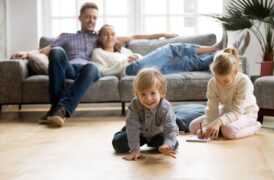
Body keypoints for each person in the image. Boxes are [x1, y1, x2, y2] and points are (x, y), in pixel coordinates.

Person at [10, 3, 177, 127]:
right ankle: (57, 107)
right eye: (88, 17)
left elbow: (133, 36)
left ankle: (60, 109)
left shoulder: (101, 36)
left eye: (95, 17)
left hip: (89, 70)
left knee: (91, 67)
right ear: (80, 18)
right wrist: (27, 53)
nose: (91, 20)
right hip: (70, 67)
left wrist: (161, 34)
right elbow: (45, 49)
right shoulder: (66, 36)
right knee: (57, 51)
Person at [92, 24, 227, 77]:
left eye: (112, 34)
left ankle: (223, 54)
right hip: (129, 71)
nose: (109, 37)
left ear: (116, 37)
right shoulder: (98, 52)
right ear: (100, 37)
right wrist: (123, 63)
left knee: (187, 62)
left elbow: (140, 58)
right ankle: (216, 47)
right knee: (171, 49)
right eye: (105, 34)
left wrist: (137, 56)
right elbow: (101, 72)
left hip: (144, 70)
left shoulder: (123, 51)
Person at [189, 48, 261, 140]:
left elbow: (237, 111)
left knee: (228, 131)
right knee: (193, 127)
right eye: (217, 79)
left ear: (235, 72)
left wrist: (218, 122)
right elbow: (212, 108)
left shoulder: (244, 82)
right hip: (226, 112)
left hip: (245, 113)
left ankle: (254, 127)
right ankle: (219, 129)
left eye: (225, 81)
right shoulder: (213, 82)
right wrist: (206, 128)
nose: (220, 83)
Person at [112, 68, 179, 160]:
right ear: (137, 94)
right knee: (118, 145)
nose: (148, 98)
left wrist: (167, 144)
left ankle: (157, 144)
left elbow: (171, 128)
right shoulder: (135, 105)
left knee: (173, 144)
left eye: (153, 93)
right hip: (139, 133)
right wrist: (135, 149)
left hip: (157, 134)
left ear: (161, 92)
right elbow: (133, 127)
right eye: (143, 94)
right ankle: (123, 131)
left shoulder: (165, 107)